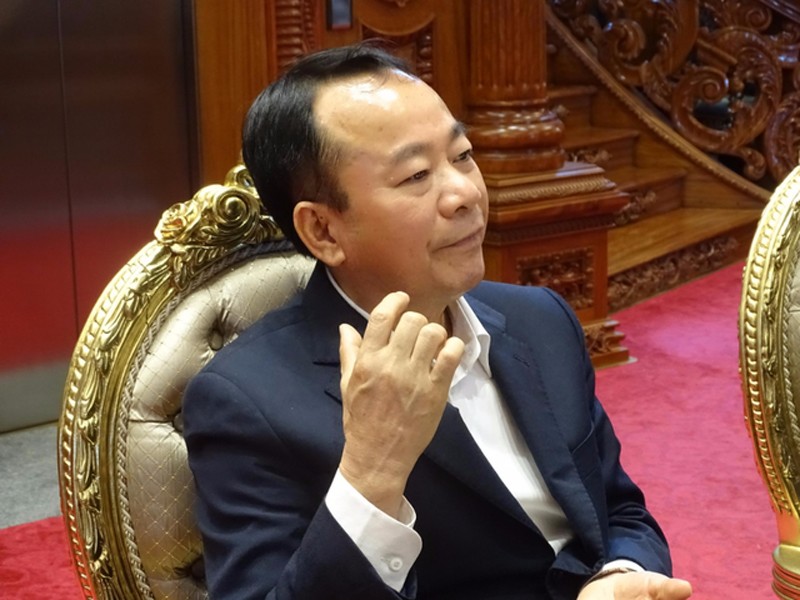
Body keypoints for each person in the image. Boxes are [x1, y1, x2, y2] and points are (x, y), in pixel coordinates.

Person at [183, 42, 692, 600]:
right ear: (324, 231)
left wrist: (619, 576)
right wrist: (371, 473)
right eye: (416, 176)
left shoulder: (539, 319)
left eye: (463, 155)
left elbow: (618, 510)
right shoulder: (247, 400)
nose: (465, 193)